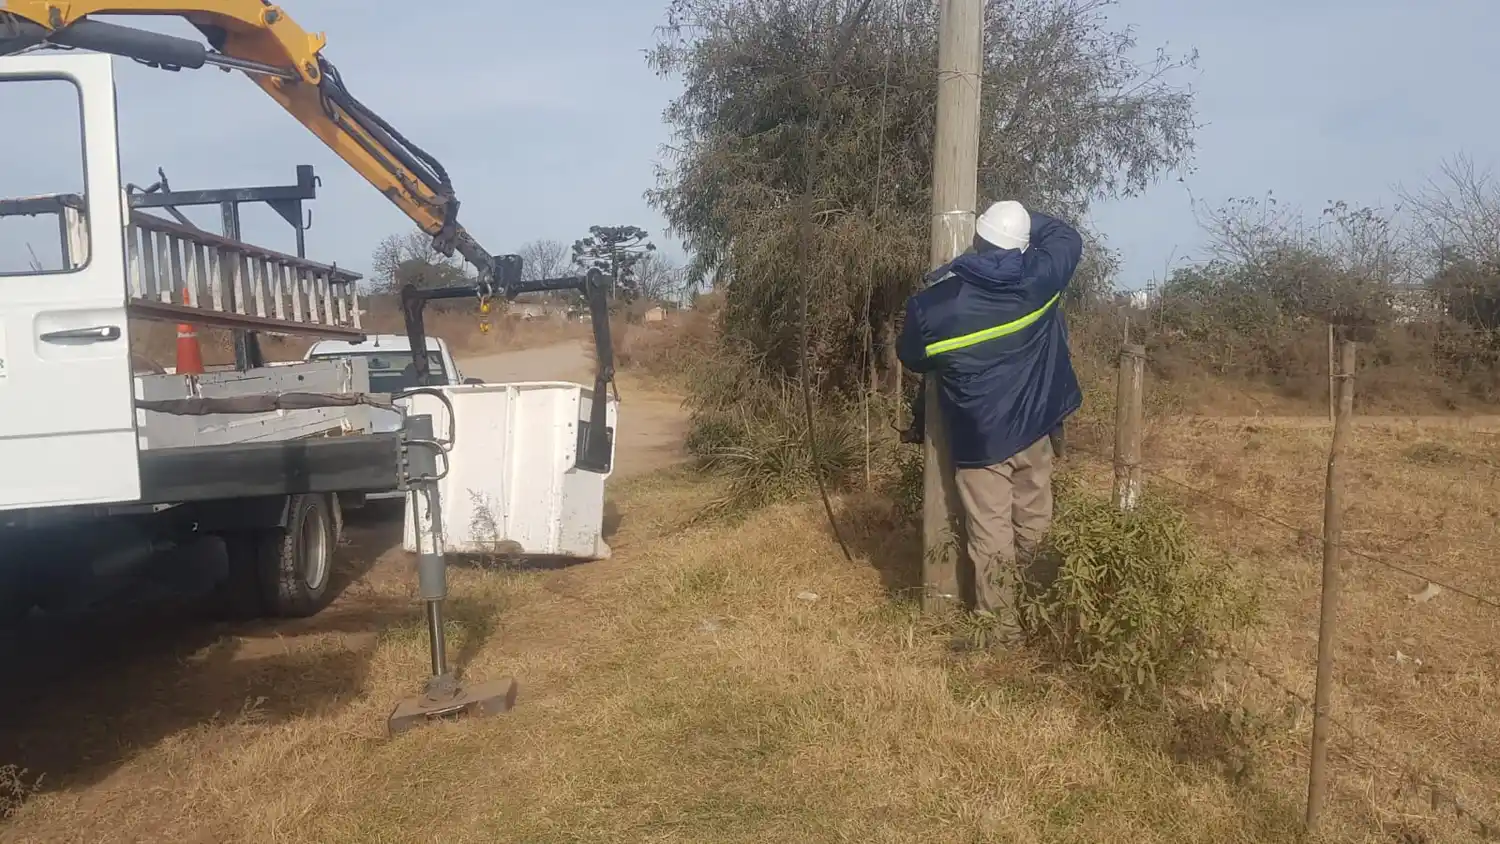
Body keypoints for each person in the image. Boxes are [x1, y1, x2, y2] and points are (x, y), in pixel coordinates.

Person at [896, 200, 1083, 643]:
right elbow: (1066, 237)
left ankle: (1001, 630)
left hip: (981, 440)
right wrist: (1023, 218)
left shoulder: (935, 307)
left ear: (977, 239)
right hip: (1035, 431)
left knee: (990, 532)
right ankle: (1041, 613)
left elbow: (912, 357)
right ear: (1022, 246)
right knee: (1035, 523)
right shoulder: (1040, 280)